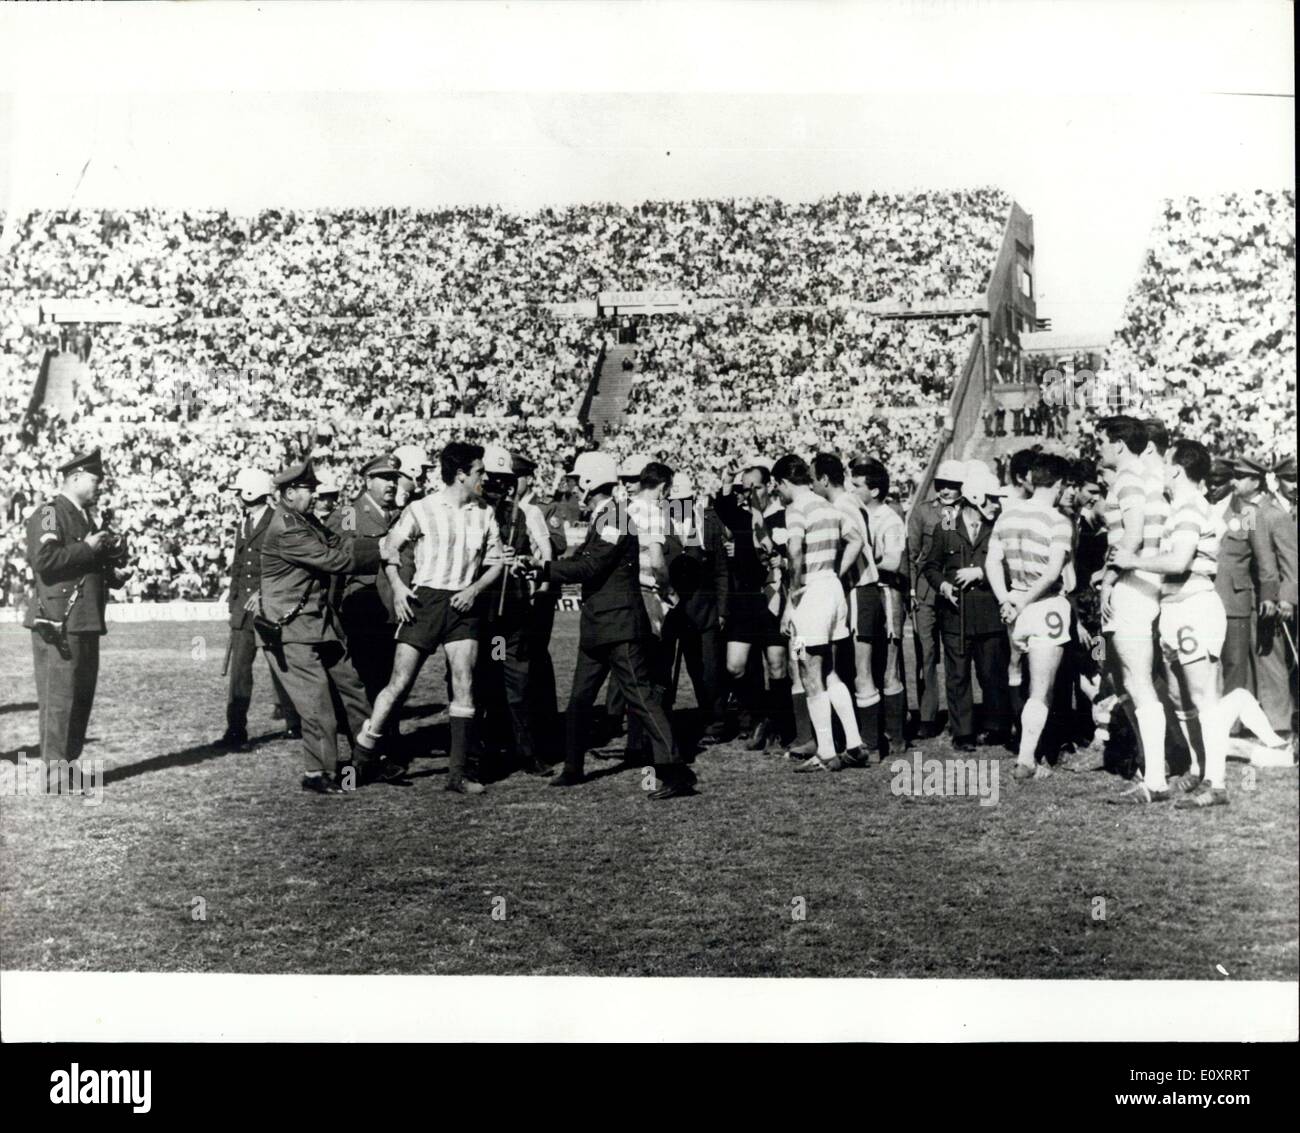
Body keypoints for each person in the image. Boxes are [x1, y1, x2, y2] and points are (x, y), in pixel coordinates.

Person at [524, 452, 695, 799]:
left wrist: (543, 568)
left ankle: (675, 770)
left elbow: (591, 568)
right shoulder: (607, 516)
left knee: (640, 697)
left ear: (588, 482)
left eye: (576, 482)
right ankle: (574, 767)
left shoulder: (616, 517)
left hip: (617, 622)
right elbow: (584, 563)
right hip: (603, 622)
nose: (572, 489)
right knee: (580, 699)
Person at [355, 442, 506, 795]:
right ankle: (363, 757)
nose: (485, 477)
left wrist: (474, 589)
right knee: (399, 685)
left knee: (464, 680)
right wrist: (397, 587)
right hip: (425, 600)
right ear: (461, 475)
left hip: (463, 603)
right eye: (480, 471)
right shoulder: (421, 509)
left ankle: (459, 774)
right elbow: (389, 548)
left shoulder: (485, 512)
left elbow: (497, 561)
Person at [258, 458, 396, 795]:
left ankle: (369, 758)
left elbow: (341, 545)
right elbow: (336, 561)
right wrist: (384, 548)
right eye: (310, 490)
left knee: (354, 690)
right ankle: (317, 773)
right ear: (290, 493)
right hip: (293, 630)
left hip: (319, 625)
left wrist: (385, 541)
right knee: (319, 708)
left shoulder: (303, 521)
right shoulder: (287, 528)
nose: (317, 497)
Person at [1112, 439, 1231, 808]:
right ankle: (1198, 770)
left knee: (1203, 696)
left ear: (1177, 470)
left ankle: (1218, 782)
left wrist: (1132, 560)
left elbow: (1179, 561)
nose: (1161, 472)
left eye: (1165, 465)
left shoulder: (1190, 507)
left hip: (1195, 608)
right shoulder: (1184, 506)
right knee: (1183, 696)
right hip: (1177, 611)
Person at [25, 448, 132, 765]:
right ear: (74, 478)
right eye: (95, 479)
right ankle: (56, 772)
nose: (100, 485)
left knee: (81, 699)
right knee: (59, 700)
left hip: (84, 619)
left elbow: (85, 569)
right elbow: (44, 561)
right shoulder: (48, 512)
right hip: (59, 622)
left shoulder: (86, 517)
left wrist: (113, 575)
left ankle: (67, 765)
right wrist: (87, 547)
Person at [771, 454, 868, 772]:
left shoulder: (796, 509)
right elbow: (856, 540)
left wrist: (794, 597)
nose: (778, 494)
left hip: (812, 592)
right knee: (830, 672)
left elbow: (795, 552)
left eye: (777, 487)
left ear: (784, 482)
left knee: (810, 675)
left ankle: (826, 752)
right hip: (833, 590)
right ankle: (853, 744)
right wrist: (835, 571)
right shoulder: (829, 506)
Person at [1097, 416, 1172, 805]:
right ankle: (1153, 767)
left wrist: (1109, 580)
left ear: (1119, 445)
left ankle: (1156, 778)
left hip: (1133, 585)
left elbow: (1133, 534)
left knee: (1138, 682)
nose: (1099, 449)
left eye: (1102, 442)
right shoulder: (1144, 477)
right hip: (1142, 581)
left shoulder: (1128, 479)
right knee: (1131, 681)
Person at [986, 452, 1073, 781]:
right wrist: (1021, 602)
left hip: (1016, 604)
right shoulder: (1058, 521)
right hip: (1044, 605)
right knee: (1042, 691)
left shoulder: (1007, 516)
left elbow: (992, 563)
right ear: (1060, 484)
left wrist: (1006, 599)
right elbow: (1053, 573)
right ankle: (1027, 759)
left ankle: (1029, 753)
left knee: (1024, 681)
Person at [474, 445, 554, 777]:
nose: (500, 487)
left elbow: (537, 554)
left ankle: (527, 752)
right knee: (479, 685)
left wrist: (521, 562)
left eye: (506, 481)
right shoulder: (472, 512)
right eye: (493, 480)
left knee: (518, 686)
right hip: (481, 613)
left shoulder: (518, 515)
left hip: (513, 614)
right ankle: (479, 755)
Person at [922, 462, 1011, 751]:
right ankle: (963, 733)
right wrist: (943, 586)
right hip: (955, 615)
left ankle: (996, 727)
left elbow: (1010, 567)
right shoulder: (945, 527)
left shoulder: (1001, 528)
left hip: (989, 614)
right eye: (992, 498)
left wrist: (982, 573)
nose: (997, 505)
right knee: (957, 676)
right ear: (975, 497)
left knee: (992, 674)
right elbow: (930, 565)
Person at [714, 456, 795, 752]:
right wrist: (726, 481)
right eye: (744, 489)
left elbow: (793, 556)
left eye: (755, 488)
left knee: (777, 666)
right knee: (735, 666)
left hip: (772, 598)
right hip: (746, 600)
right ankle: (760, 716)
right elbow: (721, 508)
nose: (749, 494)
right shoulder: (744, 516)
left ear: (770, 487)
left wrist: (782, 560)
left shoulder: (783, 516)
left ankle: (780, 725)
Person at [220, 467, 301, 750]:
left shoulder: (276, 520)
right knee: (239, 673)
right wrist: (233, 602)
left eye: (240, 493)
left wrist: (264, 594)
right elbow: (239, 566)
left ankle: (294, 723)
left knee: (281, 665)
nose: (237, 498)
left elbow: (284, 566)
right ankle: (235, 731)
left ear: (251, 492)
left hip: (270, 607)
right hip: (243, 610)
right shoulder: (244, 521)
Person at [327, 454, 402, 710]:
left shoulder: (400, 516)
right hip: (364, 610)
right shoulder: (350, 513)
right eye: (384, 478)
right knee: (370, 678)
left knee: (394, 679)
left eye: (394, 478)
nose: (391, 484)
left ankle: (388, 739)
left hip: (395, 610)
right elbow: (339, 550)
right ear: (368, 481)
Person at [1229, 456, 1296, 739]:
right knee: (1252, 661)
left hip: (1272, 600)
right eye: (1290, 478)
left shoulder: (1273, 514)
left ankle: (1279, 724)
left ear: (1256, 481)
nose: (1294, 485)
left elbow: (1290, 563)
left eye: (1239, 477)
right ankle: (1255, 722)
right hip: (1250, 597)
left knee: (1272, 662)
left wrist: (1286, 600)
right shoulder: (1247, 510)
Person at [662, 470, 731, 745]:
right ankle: (662, 721)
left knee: (707, 668)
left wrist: (723, 609)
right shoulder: (658, 522)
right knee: (664, 668)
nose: (678, 506)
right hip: (670, 609)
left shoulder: (707, 523)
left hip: (704, 611)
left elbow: (721, 571)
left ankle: (716, 720)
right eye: (674, 500)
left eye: (684, 500)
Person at [852, 456, 909, 753]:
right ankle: (872, 735)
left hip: (887, 593)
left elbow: (893, 560)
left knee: (889, 668)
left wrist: (863, 557)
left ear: (874, 490)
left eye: (857, 485)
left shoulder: (889, 518)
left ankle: (896, 736)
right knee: (865, 665)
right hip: (864, 594)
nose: (852, 489)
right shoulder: (857, 513)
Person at [909, 458, 965, 740]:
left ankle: (959, 719)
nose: (945, 491)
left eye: (952, 486)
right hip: (927, 593)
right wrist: (912, 592)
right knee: (927, 653)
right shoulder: (922, 513)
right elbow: (912, 555)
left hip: (956, 590)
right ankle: (928, 716)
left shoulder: (967, 513)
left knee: (958, 655)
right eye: (941, 485)